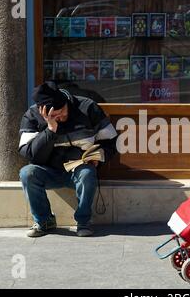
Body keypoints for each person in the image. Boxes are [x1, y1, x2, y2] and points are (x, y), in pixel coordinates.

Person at [18, 82, 118, 238]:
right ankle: (44, 221)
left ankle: (83, 221)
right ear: (42, 112)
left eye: (62, 111)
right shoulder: (31, 116)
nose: (60, 117)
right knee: (27, 173)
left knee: (87, 173)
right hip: (49, 171)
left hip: (79, 170)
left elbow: (111, 141)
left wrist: (100, 157)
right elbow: (31, 155)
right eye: (54, 116)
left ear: (66, 103)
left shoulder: (87, 107)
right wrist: (50, 130)